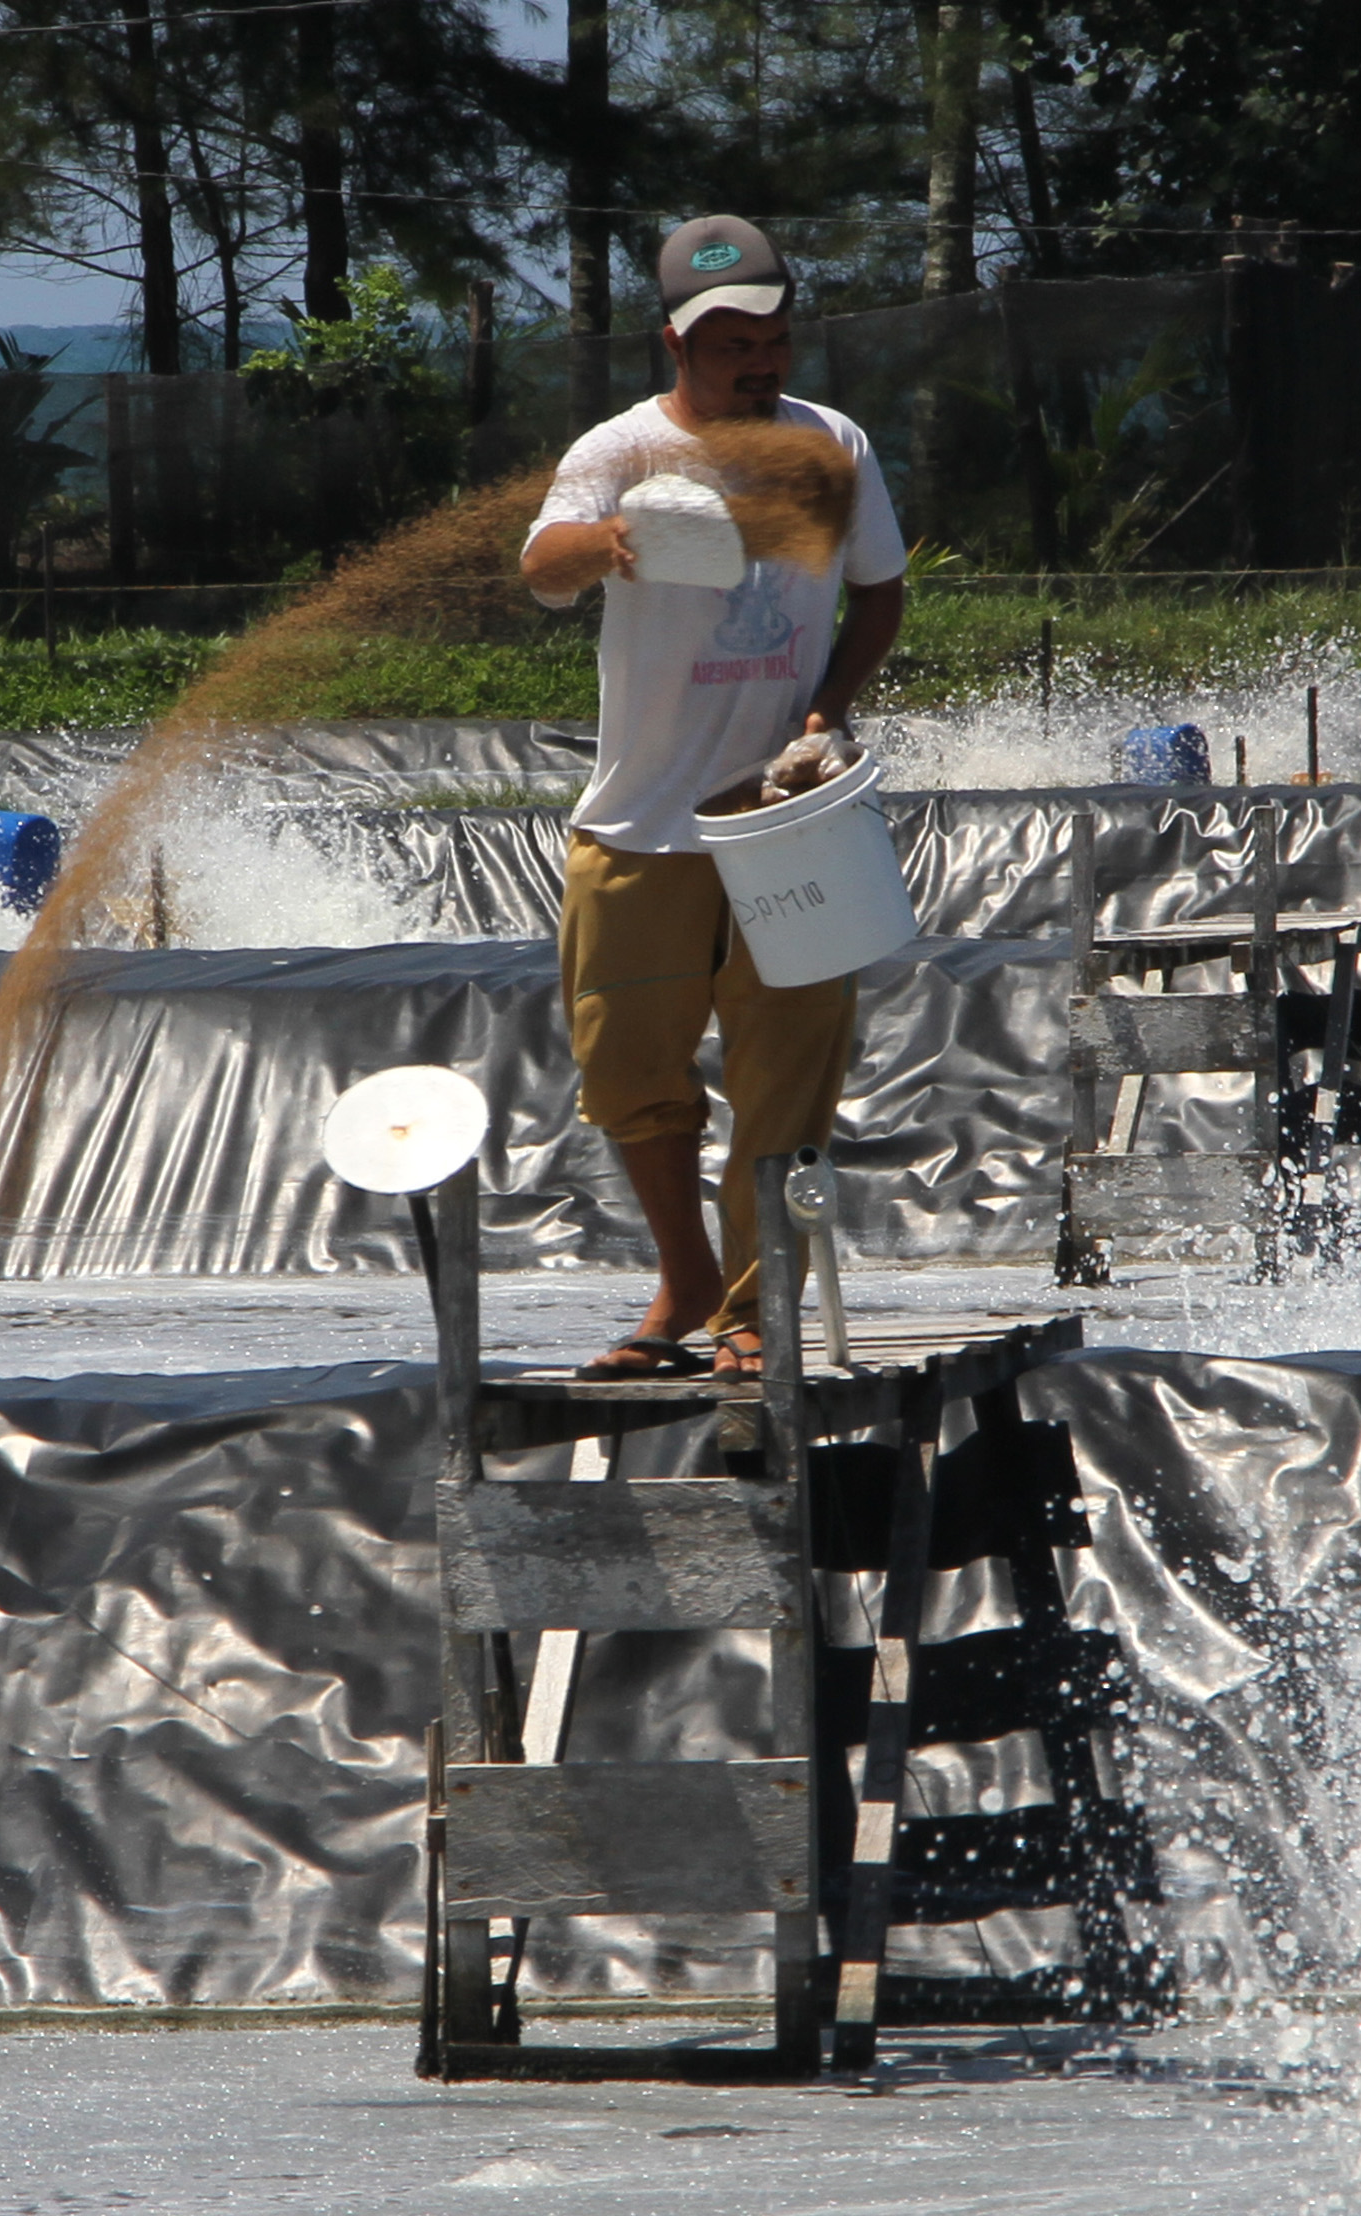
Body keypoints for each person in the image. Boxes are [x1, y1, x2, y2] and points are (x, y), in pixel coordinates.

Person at [520, 214, 909, 1377]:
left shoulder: (830, 445)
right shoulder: (624, 452)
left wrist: (826, 707)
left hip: (786, 819)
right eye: (731, 343)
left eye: (773, 339)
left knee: (784, 1081)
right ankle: (685, 1280)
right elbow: (542, 569)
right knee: (627, 1075)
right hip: (642, 821)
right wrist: (612, 541)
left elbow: (879, 594)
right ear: (676, 344)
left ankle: (752, 1311)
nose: (758, 361)